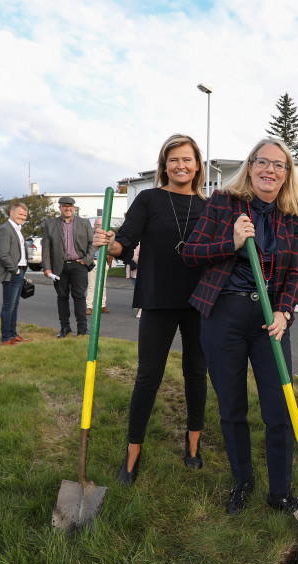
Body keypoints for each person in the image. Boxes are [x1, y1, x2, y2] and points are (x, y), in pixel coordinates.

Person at [181, 138, 298, 516]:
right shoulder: (223, 203)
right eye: (262, 162)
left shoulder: (293, 215)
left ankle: (280, 491)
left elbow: (297, 270)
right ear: (249, 167)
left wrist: (285, 310)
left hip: (271, 320)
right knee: (232, 404)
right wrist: (232, 242)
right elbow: (190, 253)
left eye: (279, 165)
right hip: (224, 315)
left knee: (279, 407)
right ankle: (243, 480)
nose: (270, 170)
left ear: (287, 175)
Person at [94, 134, 209, 484]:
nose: (181, 165)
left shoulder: (209, 205)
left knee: (195, 372)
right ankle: (132, 452)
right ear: (164, 165)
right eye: (173, 159)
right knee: (148, 375)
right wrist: (109, 242)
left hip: (200, 299)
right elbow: (124, 243)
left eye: (187, 159)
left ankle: (193, 445)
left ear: (197, 165)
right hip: (158, 297)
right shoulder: (149, 199)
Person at [42, 197, 95, 338]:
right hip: (59, 267)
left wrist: (86, 260)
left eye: (70, 206)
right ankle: (65, 328)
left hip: (79, 265)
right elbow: (46, 248)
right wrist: (47, 267)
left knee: (79, 297)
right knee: (62, 297)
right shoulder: (50, 224)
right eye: (64, 206)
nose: (67, 208)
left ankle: (82, 329)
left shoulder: (84, 223)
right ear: (60, 208)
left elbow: (93, 243)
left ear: (74, 208)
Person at [0, 202, 31, 345]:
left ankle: (13, 334)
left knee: (14, 306)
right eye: (20, 214)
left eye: (25, 215)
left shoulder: (18, 229)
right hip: (11, 273)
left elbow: (20, 253)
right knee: (9, 306)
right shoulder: (5, 229)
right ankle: (6, 337)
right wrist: (15, 270)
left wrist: (22, 271)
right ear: (11, 213)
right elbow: (3, 254)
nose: (23, 217)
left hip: (19, 272)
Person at [86, 220, 110, 315]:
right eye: (98, 224)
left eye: (101, 224)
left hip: (103, 262)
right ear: (95, 225)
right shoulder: (90, 236)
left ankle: (102, 305)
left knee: (103, 285)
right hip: (93, 261)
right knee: (92, 285)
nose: (100, 226)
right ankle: (90, 306)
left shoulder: (107, 236)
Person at [126, 243, 141, 318]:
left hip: (137, 270)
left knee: (140, 289)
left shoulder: (140, 244)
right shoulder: (132, 244)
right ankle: (139, 304)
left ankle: (141, 308)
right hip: (132, 269)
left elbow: (135, 256)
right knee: (137, 289)